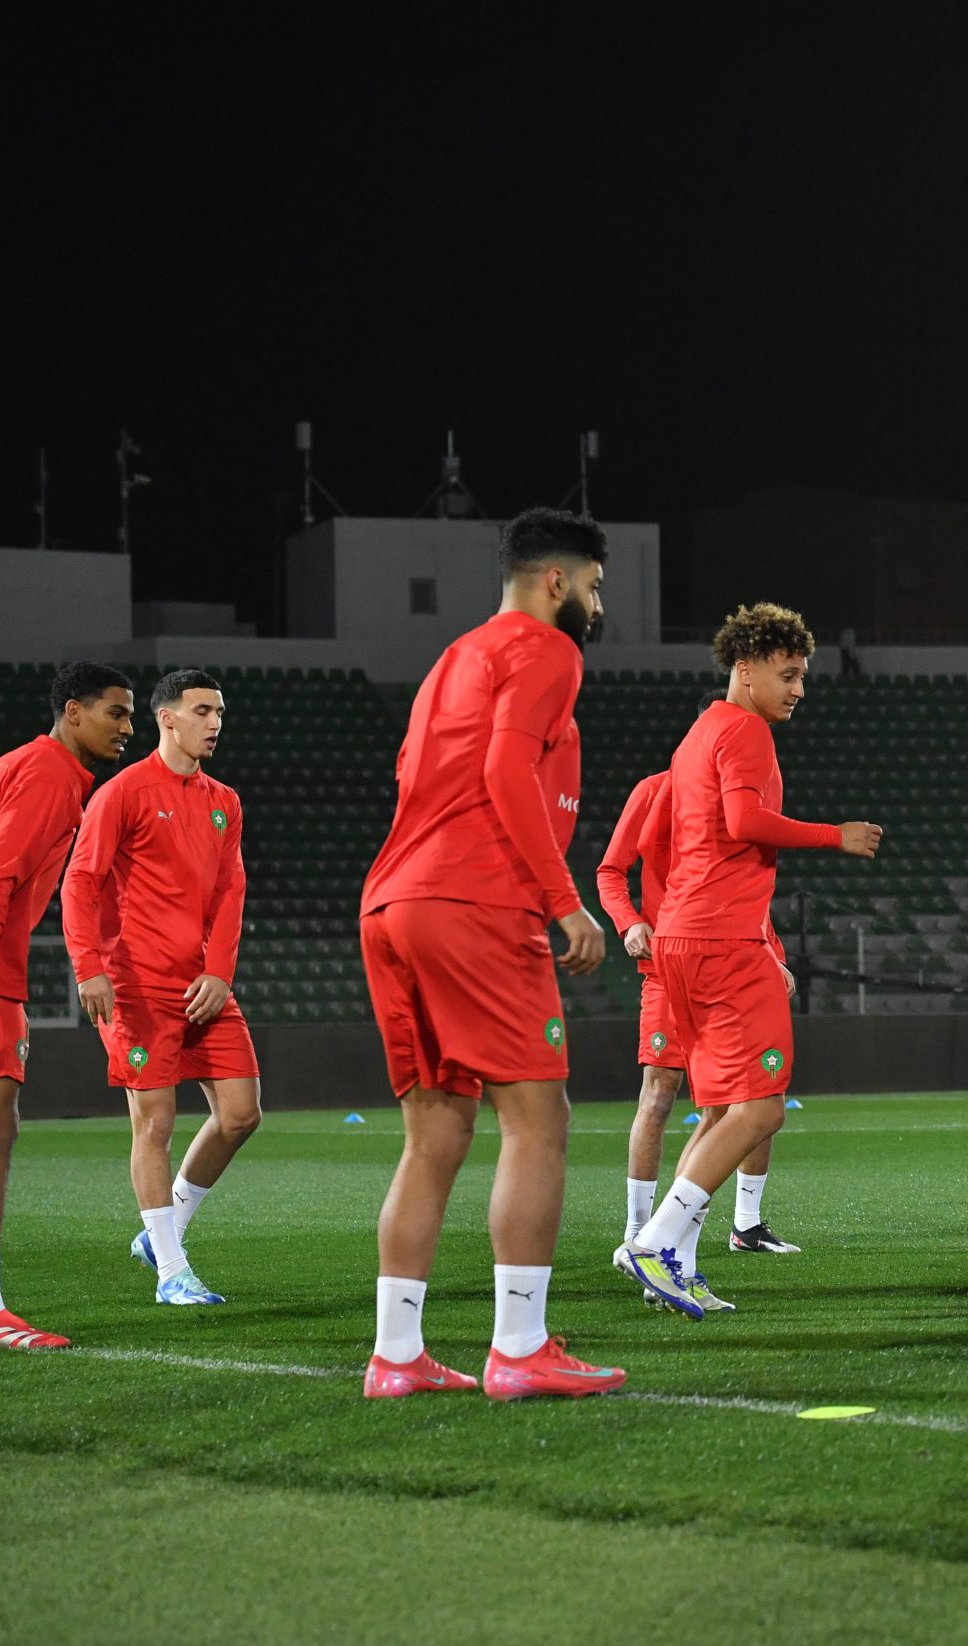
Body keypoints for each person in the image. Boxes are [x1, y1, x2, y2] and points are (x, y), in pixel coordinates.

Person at [357, 507, 620, 1400]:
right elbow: (505, 772)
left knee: (435, 1133)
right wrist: (564, 902)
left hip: (394, 900)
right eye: (591, 583)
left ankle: (396, 1355)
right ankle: (520, 1343)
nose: (594, 600)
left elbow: (413, 772)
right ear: (557, 580)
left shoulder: (453, 660)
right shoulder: (547, 649)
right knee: (539, 1121)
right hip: (473, 900)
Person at [618, 602, 881, 1317]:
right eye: (788, 674)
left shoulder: (699, 731)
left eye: (802, 676)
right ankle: (657, 1242)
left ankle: (679, 1259)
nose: (799, 689)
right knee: (761, 1106)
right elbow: (742, 822)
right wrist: (836, 835)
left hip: (683, 938)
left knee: (717, 1111)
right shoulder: (744, 730)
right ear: (745, 669)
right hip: (722, 940)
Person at [0, 663, 132, 1350]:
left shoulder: (22, 765)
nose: (127, 727)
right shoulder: (47, 775)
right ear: (73, 711)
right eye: (115, 713)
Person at [61, 668, 261, 1306]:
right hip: (137, 986)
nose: (215, 723)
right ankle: (173, 1272)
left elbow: (231, 892)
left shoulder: (224, 800)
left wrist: (220, 971)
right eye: (203, 711)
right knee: (156, 1124)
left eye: (220, 713)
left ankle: (162, 1229)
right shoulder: (122, 793)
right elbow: (80, 882)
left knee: (240, 1114)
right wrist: (88, 965)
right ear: (166, 718)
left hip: (203, 984)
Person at [596, 769, 693, 1265]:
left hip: (726, 968)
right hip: (665, 971)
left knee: (745, 1104)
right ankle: (638, 1232)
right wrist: (630, 920)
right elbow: (610, 870)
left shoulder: (745, 795)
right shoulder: (654, 791)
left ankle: (735, 1223)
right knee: (657, 1094)